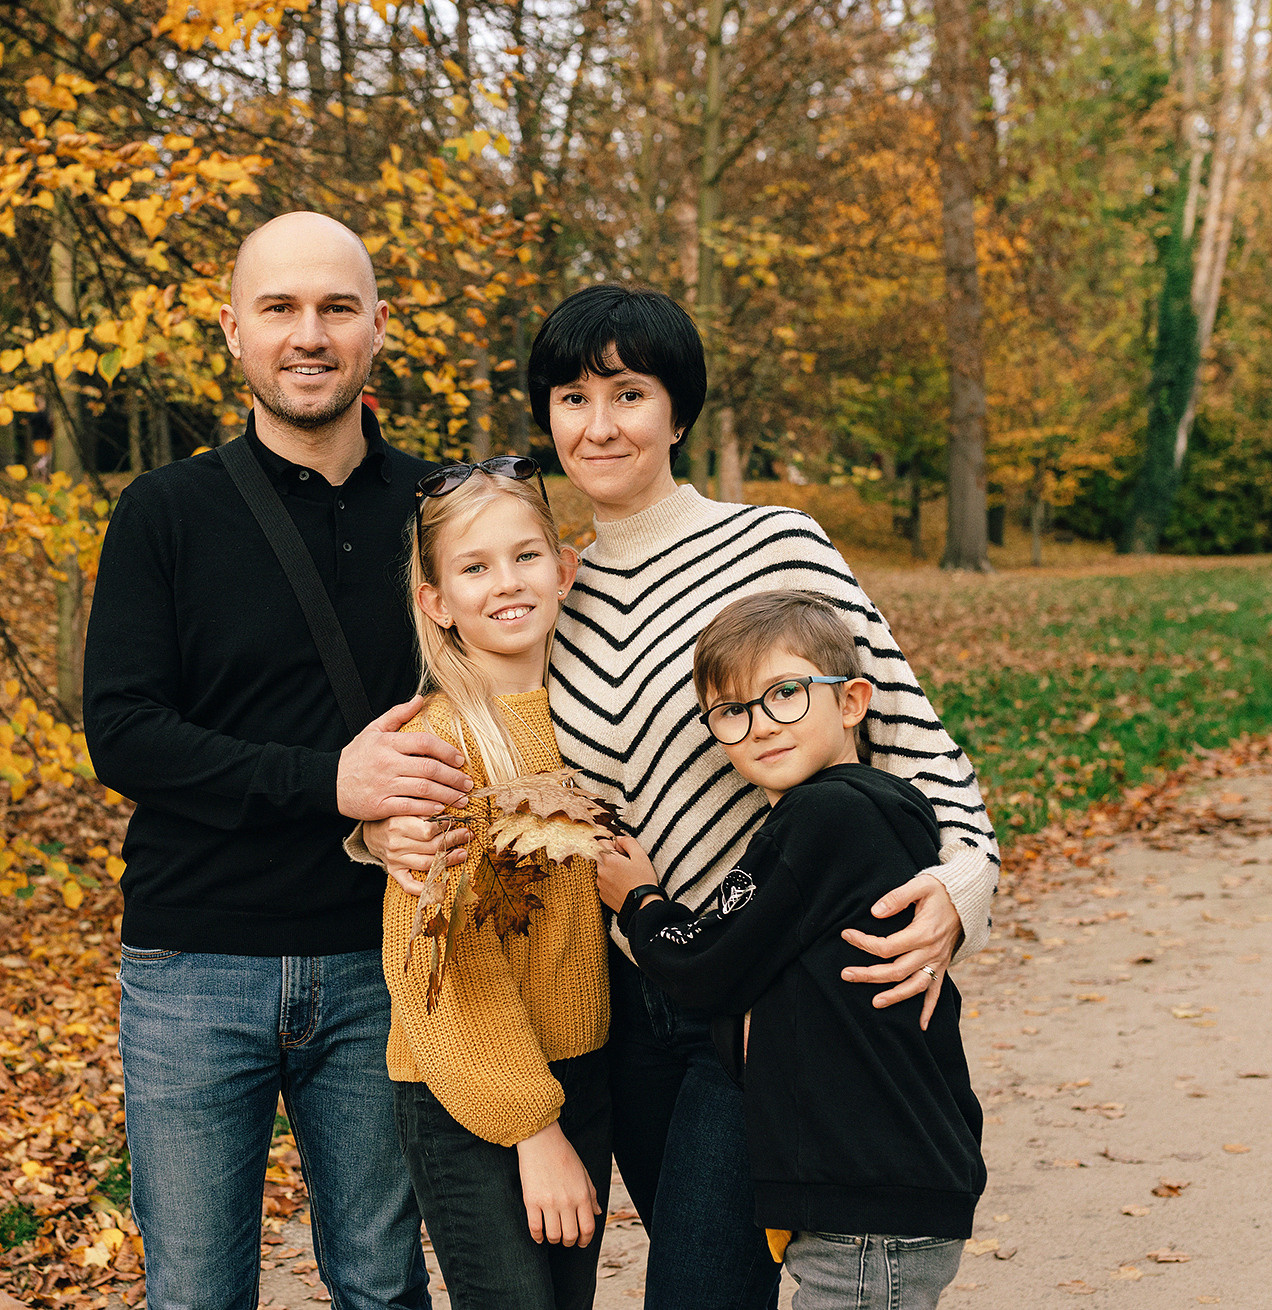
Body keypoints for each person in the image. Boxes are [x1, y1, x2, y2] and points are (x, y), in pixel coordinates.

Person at [359, 284, 1000, 1309]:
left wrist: (958, 894)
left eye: (628, 392)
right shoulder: (550, 589)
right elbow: (488, 745)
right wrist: (377, 823)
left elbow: (920, 753)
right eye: (570, 397)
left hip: (769, 993)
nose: (598, 424)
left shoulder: (774, 547)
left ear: (677, 409)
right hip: (630, 1012)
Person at [84, 211, 472, 1310]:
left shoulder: (439, 512)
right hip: (193, 965)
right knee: (198, 1291)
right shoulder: (165, 512)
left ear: (377, 329)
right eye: (280, 308)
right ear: (232, 332)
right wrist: (328, 785)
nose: (309, 334)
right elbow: (122, 731)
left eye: (336, 308)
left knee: (380, 1283)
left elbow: (501, 699)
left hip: (381, 957)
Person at [595, 589, 985, 1310]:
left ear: (853, 701)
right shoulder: (867, 816)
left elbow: (709, 964)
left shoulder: (824, 817)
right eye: (731, 712)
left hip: (868, 1202)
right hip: (873, 1189)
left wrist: (640, 901)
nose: (760, 726)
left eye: (785, 694)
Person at [380, 458, 610, 1310]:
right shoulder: (441, 748)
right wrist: (535, 1129)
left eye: (525, 557)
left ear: (565, 568)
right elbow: (438, 974)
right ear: (436, 601)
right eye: (474, 568)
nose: (505, 584)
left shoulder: (591, 721)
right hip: (473, 1093)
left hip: (580, 1068)